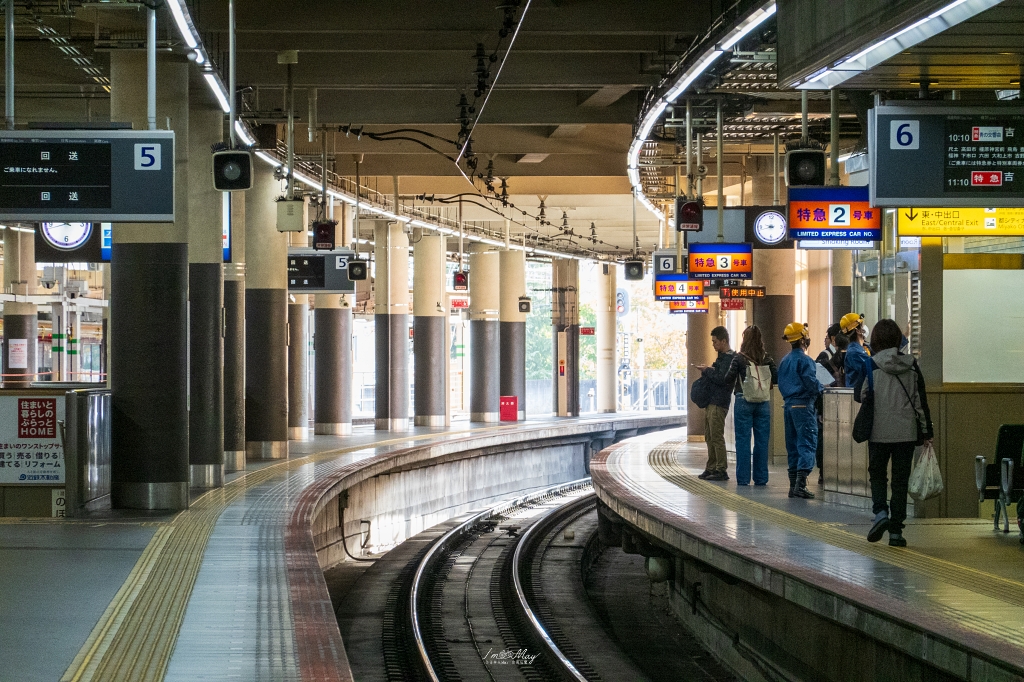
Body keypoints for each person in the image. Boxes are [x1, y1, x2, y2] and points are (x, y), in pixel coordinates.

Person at [855, 318, 933, 548]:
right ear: (898, 339)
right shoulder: (912, 366)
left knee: (878, 475)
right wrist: (927, 431)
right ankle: (897, 532)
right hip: (906, 432)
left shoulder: (871, 365)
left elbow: (860, 394)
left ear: (876, 340)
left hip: (878, 432)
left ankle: (880, 513)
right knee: (900, 481)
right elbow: (920, 402)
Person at [706, 326, 777, 486]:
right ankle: (761, 478)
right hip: (763, 402)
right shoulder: (767, 358)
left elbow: (727, 379)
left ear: (745, 340)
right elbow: (776, 377)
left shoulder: (739, 358)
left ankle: (744, 479)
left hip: (743, 400)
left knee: (743, 440)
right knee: (762, 441)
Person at [777, 322, 824, 499]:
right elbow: (811, 383)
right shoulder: (805, 361)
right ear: (804, 339)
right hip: (804, 406)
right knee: (807, 443)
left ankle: (792, 485)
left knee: (793, 445)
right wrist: (822, 389)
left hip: (788, 406)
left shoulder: (784, 361)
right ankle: (801, 484)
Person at [694, 326, 734, 481]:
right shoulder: (721, 358)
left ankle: (720, 469)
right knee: (709, 436)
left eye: (715, 341)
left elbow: (721, 379)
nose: (713, 344)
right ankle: (711, 467)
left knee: (716, 436)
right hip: (712, 401)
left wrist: (706, 370)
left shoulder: (730, 359)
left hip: (719, 402)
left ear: (724, 341)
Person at [841, 313, 870, 393]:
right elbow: (872, 366)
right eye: (862, 325)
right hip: (858, 397)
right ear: (858, 330)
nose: (864, 327)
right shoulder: (854, 352)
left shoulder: (861, 348)